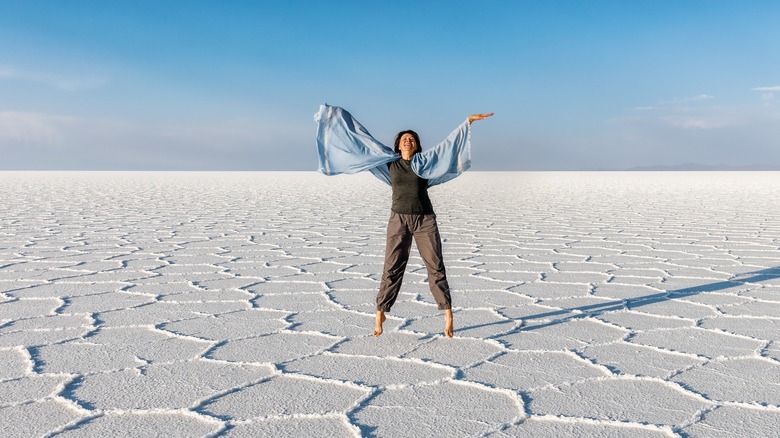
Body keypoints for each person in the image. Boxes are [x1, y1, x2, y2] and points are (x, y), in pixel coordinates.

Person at [314, 104, 493, 337]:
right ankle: (380, 313)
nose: (408, 141)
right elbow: (363, 142)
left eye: (412, 139)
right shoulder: (390, 163)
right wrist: (335, 118)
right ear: (398, 145)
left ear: (417, 145)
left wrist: (466, 123)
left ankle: (447, 312)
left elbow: (446, 147)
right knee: (392, 268)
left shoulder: (426, 163)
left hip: (425, 220)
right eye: (404, 139)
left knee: (435, 267)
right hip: (398, 220)